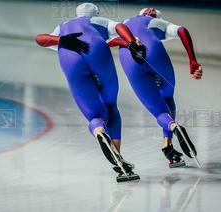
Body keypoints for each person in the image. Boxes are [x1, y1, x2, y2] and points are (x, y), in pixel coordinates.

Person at [35, 3, 145, 181]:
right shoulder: (97, 20)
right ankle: (118, 158)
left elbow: (40, 39)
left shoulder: (62, 27)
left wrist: (61, 40)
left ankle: (99, 130)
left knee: (94, 115)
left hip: (68, 56)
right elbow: (120, 27)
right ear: (96, 13)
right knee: (110, 105)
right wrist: (132, 42)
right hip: (96, 51)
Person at [108, 8, 203, 168]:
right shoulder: (156, 22)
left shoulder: (123, 24)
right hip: (155, 53)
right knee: (167, 98)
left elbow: (106, 42)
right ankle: (168, 142)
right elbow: (182, 30)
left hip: (129, 58)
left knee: (159, 110)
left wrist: (125, 42)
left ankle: (172, 133)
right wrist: (192, 61)